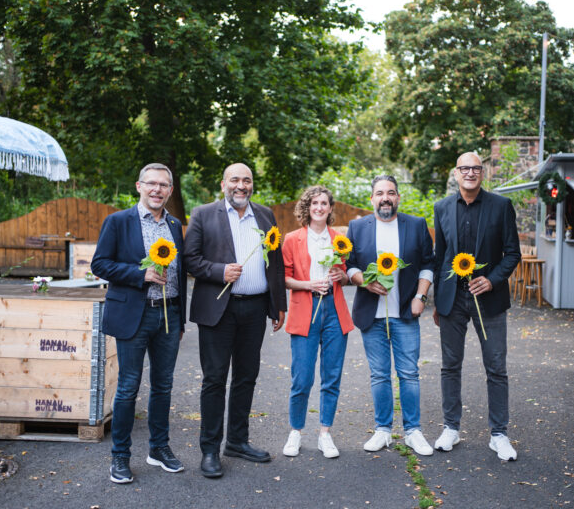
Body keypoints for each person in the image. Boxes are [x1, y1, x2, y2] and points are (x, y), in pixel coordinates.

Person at [184, 162, 287, 479]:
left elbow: (276, 261)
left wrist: (277, 304)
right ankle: (210, 450)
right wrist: (219, 271)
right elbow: (189, 258)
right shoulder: (203, 214)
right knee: (214, 380)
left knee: (246, 377)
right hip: (219, 308)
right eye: (235, 180)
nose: (241, 185)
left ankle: (238, 441)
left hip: (255, 308)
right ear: (223, 183)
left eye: (247, 180)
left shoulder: (266, 214)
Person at [91, 163, 187, 484]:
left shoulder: (174, 226)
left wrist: (181, 317)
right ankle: (120, 456)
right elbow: (100, 264)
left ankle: (159, 449)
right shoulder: (118, 222)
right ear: (139, 186)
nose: (157, 190)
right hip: (135, 314)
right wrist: (139, 274)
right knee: (128, 388)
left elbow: (182, 274)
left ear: (170, 191)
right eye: (151, 184)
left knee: (164, 385)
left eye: (163, 185)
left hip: (169, 315)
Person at [432, 152, 521, 461]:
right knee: (449, 366)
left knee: (496, 368)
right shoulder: (441, 208)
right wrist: (436, 301)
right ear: (456, 173)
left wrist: (492, 280)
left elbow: (512, 253)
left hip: (489, 299)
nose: (470, 173)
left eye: (475, 168)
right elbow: (440, 257)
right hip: (452, 300)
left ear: (482, 173)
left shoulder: (501, 206)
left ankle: (499, 434)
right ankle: (451, 428)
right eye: (464, 168)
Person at [346, 175, 436, 456]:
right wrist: (363, 280)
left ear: (398, 197)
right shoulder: (357, 227)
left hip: (405, 313)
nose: (386, 197)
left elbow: (428, 263)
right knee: (379, 375)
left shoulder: (417, 224)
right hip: (371, 314)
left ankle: (413, 431)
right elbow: (348, 266)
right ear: (372, 198)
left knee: (409, 374)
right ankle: (383, 430)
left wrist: (421, 296)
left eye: (391, 192)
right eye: (380, 193)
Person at [281, 186, 354, 459]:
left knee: (331, 376)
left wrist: (341, 276)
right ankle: (295, 432)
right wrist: (308, 284)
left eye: (324, 203)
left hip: (334, 310)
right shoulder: (292, 239)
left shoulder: (340, 240)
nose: (320, 207)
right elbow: (284, 278)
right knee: (302, 377)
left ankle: (325, 433)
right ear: (307, 207)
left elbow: (346, 276)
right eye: (315, 203)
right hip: (305, 309)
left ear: (330, 208)